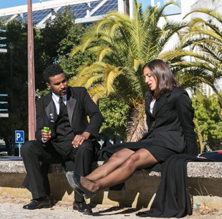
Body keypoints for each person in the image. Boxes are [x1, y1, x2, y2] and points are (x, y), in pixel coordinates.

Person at [66, 59, 198, 200]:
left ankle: (96, 186)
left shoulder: (178, 95)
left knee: (133, 159)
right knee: (116, 155)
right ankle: (83, 181)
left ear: (160, 74)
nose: (146, 80)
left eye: (149, 76)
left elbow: (188, 127)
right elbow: (152, 125)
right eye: (145, 76)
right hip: (153, 140)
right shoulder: (150, 96)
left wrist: (192, 155)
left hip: (170, 144)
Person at [21, 64, 104, 214]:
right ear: (48, 85)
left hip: (77, 145)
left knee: (85, 147)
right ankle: (41, 198)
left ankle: (79, 201)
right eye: (57, 84)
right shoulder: (42, 102)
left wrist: (86, 134)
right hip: (55, 147)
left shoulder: (80, 93)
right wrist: (43, 137)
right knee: (28, 147)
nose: (63, 85)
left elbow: (97, 115)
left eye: (64, 81)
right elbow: (39, 130)